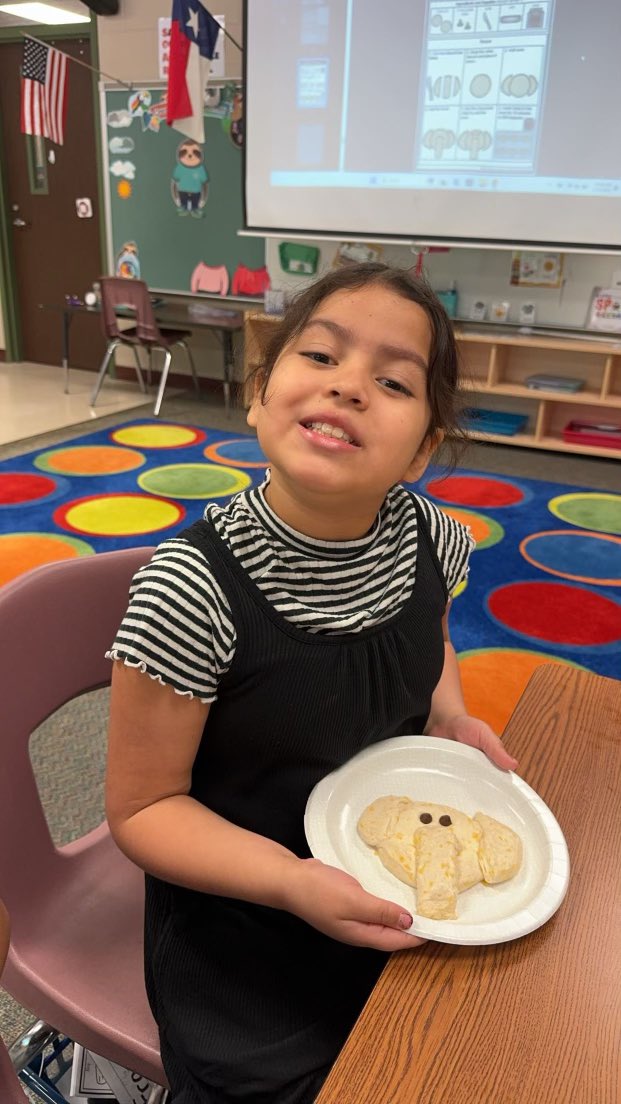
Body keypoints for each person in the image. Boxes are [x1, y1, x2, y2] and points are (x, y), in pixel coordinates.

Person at [105, 262, 518, 1104]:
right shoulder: (191, 589)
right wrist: (291, 882)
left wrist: (449, 718)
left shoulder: (432, 537)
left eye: (393, 380)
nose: (350, 387)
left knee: (481, 1046)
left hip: (388, 879)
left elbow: (428, 639)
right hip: (243, 921)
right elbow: (143, 810)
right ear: (260, 392)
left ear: (423, 448)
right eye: (322, 357)